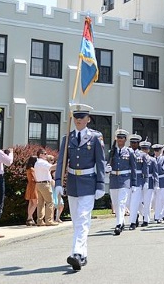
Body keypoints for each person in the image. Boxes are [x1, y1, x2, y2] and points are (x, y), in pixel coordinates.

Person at [54, 105, 106, 271]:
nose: (78, 120)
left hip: (89, 182)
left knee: (83, 218)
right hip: (73, 183)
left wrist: (100, 184)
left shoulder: (95, 138)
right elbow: (62, 162)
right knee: (77, 220)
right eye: (76, 117)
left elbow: (101, 162)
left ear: (88, 119)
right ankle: (82, 255)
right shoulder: (67, 138)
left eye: (82, 117)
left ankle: (76, 252)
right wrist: (58, 182)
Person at [106, 128, 136, 236]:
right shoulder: (112, 151)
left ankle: (118, 224)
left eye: (122, 138)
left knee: (121, 202)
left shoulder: (129, 152)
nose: (120, 140)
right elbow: (107, 163)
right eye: (118, 137)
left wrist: (134, 183)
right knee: (115, 202)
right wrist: (107, 168)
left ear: (125, 139)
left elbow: (133, 168)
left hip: (125, 179)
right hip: (114, 179)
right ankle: (121, 221)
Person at [35, 149, 57, 227]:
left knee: (40, 203)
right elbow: (52, 167)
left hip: (38, 184)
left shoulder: (37, 163)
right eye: (45, 153)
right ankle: (49, 220)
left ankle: (40, 221)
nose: (46, 155)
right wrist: (61, 163)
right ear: (40, 155)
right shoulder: (42, 162)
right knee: (50, 202)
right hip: (45, 184)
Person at [24, 156, 39, 225]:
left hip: (29, 185)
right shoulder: (32, 169)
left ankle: (30, 218)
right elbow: (35, 178)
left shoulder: (28, 169)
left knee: (31, 202)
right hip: (33, 185)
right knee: (35, 202)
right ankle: (29, 218)